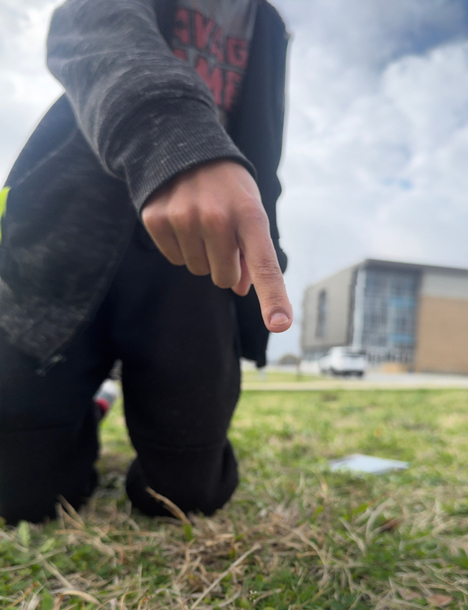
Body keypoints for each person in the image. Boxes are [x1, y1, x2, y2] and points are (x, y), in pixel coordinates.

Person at [0, 0, 292, 525]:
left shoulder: (268, 25)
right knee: (20, 497)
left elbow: (261, 152)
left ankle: (116, 398)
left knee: (186, 495)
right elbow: (87, 28)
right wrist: (177, 146)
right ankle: (87, 405)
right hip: (66, 240)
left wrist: (262, 255)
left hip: (190, 266)